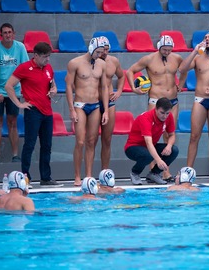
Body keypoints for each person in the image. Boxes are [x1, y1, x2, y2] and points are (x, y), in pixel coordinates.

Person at [126, 35, 183, 181]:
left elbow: (186, 68)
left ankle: (163, 172)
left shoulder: (176, 58)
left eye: (169, 50)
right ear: (159, 47)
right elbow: (130, 71)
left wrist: (181, 83)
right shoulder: (149, 59)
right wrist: (134, 88)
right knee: (151, 137)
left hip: (172, 101)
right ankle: (153, 168)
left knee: (169, 135)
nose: (167, 52)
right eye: (164, 49)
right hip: (156, 101)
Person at [5, 42, 62, 187]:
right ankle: (25, 178)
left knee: (46, 146)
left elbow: (52, 84)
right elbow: (8, 85)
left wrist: (54, 90)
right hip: (33, 111)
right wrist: (19, 104)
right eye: (44, 56)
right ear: (35, 55)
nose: (47, 59)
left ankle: (45, 178)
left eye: (49, 56)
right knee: (29, 145)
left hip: (47, 111)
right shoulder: (25, 68)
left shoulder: (48, 68)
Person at [179, 32, 209, 182]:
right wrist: (194, 51)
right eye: (205, 38)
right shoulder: (197, 59)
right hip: (200, 99)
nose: (206, 39)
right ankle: (188, 172)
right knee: (194, 136)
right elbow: (182, 69)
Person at [65, 37, 109, 186]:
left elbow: (104, 88)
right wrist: (71, 110)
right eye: (97, 52)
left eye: (101, 53)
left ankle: (89, 175)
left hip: (95, 105)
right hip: (80, 105)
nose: (99, 55)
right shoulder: (75, 63)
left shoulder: (101, 64)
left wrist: (106, 111)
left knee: (91, 142)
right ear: (91, 49)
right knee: (80, 141)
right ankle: (77, 176)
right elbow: (69, 87)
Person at [0, 23, 29, 163]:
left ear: (14, 33)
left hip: (14, 90)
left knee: (13, 122)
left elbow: (25, 68)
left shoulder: (20, 47)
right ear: (1, 35)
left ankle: (15, 155)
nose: (7, 35)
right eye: (5, 33)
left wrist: (26, 89)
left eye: (9, 32)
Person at [125, 98, 179, 185]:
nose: (164, 116)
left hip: (149, 147)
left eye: (167, 113)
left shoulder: (169, 117)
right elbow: (148, 142)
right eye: (162, 113)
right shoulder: (146, 118)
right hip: (132, 147)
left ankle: (154, 173)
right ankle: (135, 173)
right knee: (148, 155)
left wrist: (169, 146)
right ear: (156, 109)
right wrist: (158, 160)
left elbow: (172, 135)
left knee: (174, 150)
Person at [98, 37, 125, 171]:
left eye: (107, 50)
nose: (105, 53)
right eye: (102, 50)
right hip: (93, 102)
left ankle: (104, 172)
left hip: (109, 102)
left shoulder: (113, 61)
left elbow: (121, 76)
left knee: (107, 140)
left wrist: (119, 91)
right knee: (90, 140)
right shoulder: (89, 62)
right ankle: (88, 173)